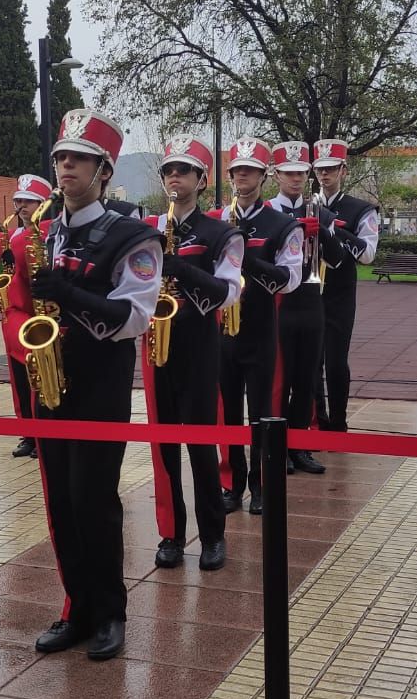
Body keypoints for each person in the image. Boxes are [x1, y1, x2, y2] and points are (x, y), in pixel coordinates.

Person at [21, 109, 162, 661]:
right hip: (52, 382)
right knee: (59, 500)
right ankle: (76, 607)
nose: (65, 167)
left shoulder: (133, 236)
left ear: (104, 170)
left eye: (78, 158)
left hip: (100, 386)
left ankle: (109, 611)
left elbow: (134, 318)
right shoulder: (47, 231)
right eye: (60, 158)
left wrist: (70, 293)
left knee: (93, 500)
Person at [143, 136, 242, 572]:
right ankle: (171, 534)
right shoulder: (147, 229)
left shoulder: (221, 232)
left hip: (199, 347)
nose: (174, 177)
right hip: (155, 348)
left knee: (201, 447)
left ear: (202, 180)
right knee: (163, 448)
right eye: (168, 170)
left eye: (183, 170)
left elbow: (229, 292)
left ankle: (213, 534)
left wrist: (179, 268)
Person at [215, 138, 302, 515]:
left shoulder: (282, 224)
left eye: (249, 169)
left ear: (264, 175)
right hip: (222, 332)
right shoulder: (217, 220)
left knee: (262, 412)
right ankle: (231, 482)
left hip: (261, 329)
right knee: (228, 410)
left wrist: (247, 261)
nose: (242, 176)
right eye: (237, 170)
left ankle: (261, 484)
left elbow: (291, 278)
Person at [269, 141, 337, 476]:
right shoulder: (267, 213)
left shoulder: (319, 210)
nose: (295, 179)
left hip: (311, 299)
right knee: (278, 381)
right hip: (279, 301)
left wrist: (322, 230)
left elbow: (338, 259)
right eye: (289, 173)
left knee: (307, 379)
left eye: (300, 173)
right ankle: (276, 447)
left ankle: (299, 446)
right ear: (276, 175)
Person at [311, 140, 380, 432]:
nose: (324, 175)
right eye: (320, 170)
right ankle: (317, 419)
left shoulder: (360, 209)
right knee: (311, 363)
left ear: (343, 170)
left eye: (331, 169)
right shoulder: (306, 205)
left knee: (336, 361)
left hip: (339, 294)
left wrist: (334, 228)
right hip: (310, 292)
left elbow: (367, 254)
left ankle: (338, 421)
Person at [0, 175, 51, 459]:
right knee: (18, 380)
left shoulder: (49, 234)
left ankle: (43, 434)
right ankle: (28, 433)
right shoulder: (4, 237)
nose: (21, 206)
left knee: (38, 378)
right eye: (18, 200)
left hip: (36, 315)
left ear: (41, 204)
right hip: (13, 317)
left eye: (27, 201)